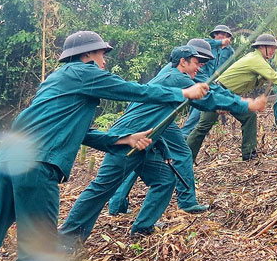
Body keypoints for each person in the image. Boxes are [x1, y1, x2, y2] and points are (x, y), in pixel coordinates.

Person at [0, 31, 209, 261]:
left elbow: (82, 132)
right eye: (102, 55)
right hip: (37, 165)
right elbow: (135, 91)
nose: (104, 61)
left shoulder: (58, 80)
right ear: (88, 55)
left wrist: (123, 139)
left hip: (10, 158)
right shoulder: (84, 72)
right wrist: (182, 94)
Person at [59, 45, 265, 244]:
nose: (199, 67)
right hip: (127, 139)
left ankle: (142, 228)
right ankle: (68, 238)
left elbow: (161, 122)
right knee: (101, 189)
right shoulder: (175, 78)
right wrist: (246, 104)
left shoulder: (171, 77)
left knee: (165, 179)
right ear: (182, 62)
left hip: (147, 142)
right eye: (196, 63)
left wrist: (163, 149)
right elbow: (208, 98)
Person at [109, 39, 217, 215]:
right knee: (181, 153)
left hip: (150, 115)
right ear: (186, 59)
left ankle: (117, 204)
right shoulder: (181, 73)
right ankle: (187, 201)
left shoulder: (173, 68)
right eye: (200, 61)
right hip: (155, 117)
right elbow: (208, 90)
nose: (201, 65)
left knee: (136, 158)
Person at [186, 33, 277, 161]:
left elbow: (264, 78)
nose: (273, 52)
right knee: (203, 127)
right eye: (270, 48)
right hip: (219, 93)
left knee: (249, 116)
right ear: (261, 47)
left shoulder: (258, 60)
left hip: (230, 95)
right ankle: (186, 157)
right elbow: (275, 77)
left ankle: (249, 153)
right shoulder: (256, 60)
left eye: (274, 49)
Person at [180, 25, 234, 136]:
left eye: (226, 35)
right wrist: (220, 43)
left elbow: (231, 66)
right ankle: (186, 134)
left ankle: (194, 133)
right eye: (221, 34)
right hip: (200, 79)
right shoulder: (207, 45)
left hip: (215, 83)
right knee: (196, 110)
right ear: (215, 34)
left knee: (205, 109)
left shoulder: (230, 52)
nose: (223, 37)